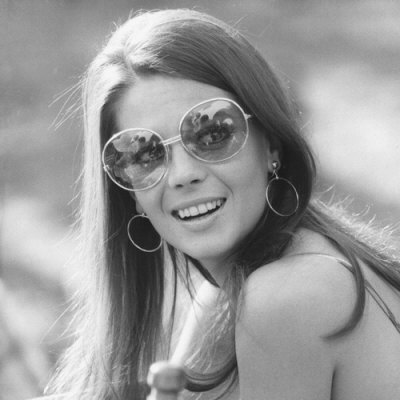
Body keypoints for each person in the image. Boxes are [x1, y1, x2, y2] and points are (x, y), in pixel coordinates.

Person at [42, 8, 400, 400]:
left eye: (213, 133)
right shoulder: (221, 299)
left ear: (272, 144)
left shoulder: (287, 295)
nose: (182, 175)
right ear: (129, 193)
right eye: (142, 154)